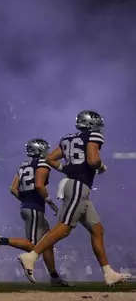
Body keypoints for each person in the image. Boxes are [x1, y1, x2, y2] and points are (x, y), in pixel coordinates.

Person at [18, 110, 131, 286]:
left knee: (97, 229)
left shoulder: (68, 138)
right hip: (78, 185)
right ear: (91, 124)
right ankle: (31, 255)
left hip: (76, 185)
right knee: (65, 227)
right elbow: (93, 160)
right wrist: (101, 166)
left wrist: (65, 169)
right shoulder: (92, 136)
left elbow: (49, 158)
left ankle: (108, 272)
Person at [0, 139, 68, 286]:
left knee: (47, 243)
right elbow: (39, 186)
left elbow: (13, 189)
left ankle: (55, 277)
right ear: (40, 150)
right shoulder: (43, 165)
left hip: (27, 207)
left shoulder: (23, 166)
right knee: (34, 246)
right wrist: (51, 203)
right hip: (35, 209)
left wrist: (26, 201)